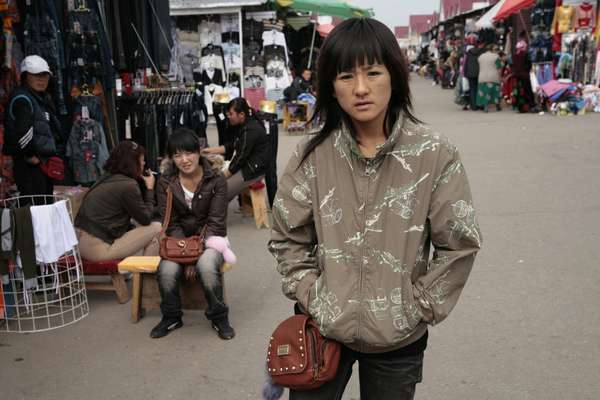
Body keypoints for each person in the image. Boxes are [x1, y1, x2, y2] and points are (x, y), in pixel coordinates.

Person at [268, 18, 482, 400]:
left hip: (398, 341)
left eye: (373, 72)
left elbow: (459, 244)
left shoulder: (433, 154)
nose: (361, 88)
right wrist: (314, 295)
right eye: (346, 76)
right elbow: (286, 236)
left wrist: (415, 307)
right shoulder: (312, 156)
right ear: (331, 87)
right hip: (323, 333)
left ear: (394, 77)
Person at [151, 128, 234, 340]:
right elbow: (170, 222)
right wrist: (184, 252)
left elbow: (216, 222)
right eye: (177, 155)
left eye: (189, 153)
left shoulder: (216, 179)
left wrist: (194, 254)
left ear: (199, 152)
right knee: (167, 270)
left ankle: (218, 316)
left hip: (211, 238)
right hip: (178, 239)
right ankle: (171, 317)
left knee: (206, 266)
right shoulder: (166, 182)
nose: (184, 160)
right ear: (171, 158)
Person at [75, 141, 161, 261]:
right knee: (157, 228)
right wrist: (150, 188)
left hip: (82, 244)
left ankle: (135, 274)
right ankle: (144, 274)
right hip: (97, 249)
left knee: (141, 230)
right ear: (133, 162)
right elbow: (146, 219)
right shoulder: (128, 185)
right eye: (142, 160)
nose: (144, 163)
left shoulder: (107, 177)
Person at [3, 55, 65, 201]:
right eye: (36, 75)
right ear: (25, 76)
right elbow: (23, 132)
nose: (41, 79)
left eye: (45, 75)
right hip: (30, 166)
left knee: (43, 205)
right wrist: (31, 157)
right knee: (35, 208)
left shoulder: (40, 98)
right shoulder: (23, 99)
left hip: (41, 164)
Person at [202, 98, 270, 201]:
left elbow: (240, 159)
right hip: (246, 165)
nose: (228, 117)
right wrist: (209, 151)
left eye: (231, 114)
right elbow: (232, 146)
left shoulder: (250, 130)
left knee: (219, 192)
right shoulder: (244, 126)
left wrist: (222, 177)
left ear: (241, 114)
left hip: (252, 171)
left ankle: (214, 215)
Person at [511, 31, 535, 113]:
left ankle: (520, 107)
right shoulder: (525, 55)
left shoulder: (514, 55)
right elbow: (529, 64)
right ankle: (531, 106)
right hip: (524, 75)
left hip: (517, 75)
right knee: (527, 90)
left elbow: (513, 65)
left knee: (519, 91)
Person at [476, 45, 503, 112]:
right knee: (495, 92)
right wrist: (500, 77)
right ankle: (497, 106)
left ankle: (485, 106)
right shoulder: (496, 57)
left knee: (484, 92)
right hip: (493, 77)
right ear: (492, 50)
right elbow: (499, 68)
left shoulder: (480, 56)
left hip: (482, 77)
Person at [464, 41, 486, 110]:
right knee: (480, 89)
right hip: (479, 72)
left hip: (470, 73)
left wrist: (465, 73)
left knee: (472, 89)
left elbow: (466, 63)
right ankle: (480, 104)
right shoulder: (482, 52)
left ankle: (473, 106)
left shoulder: (469, 52)